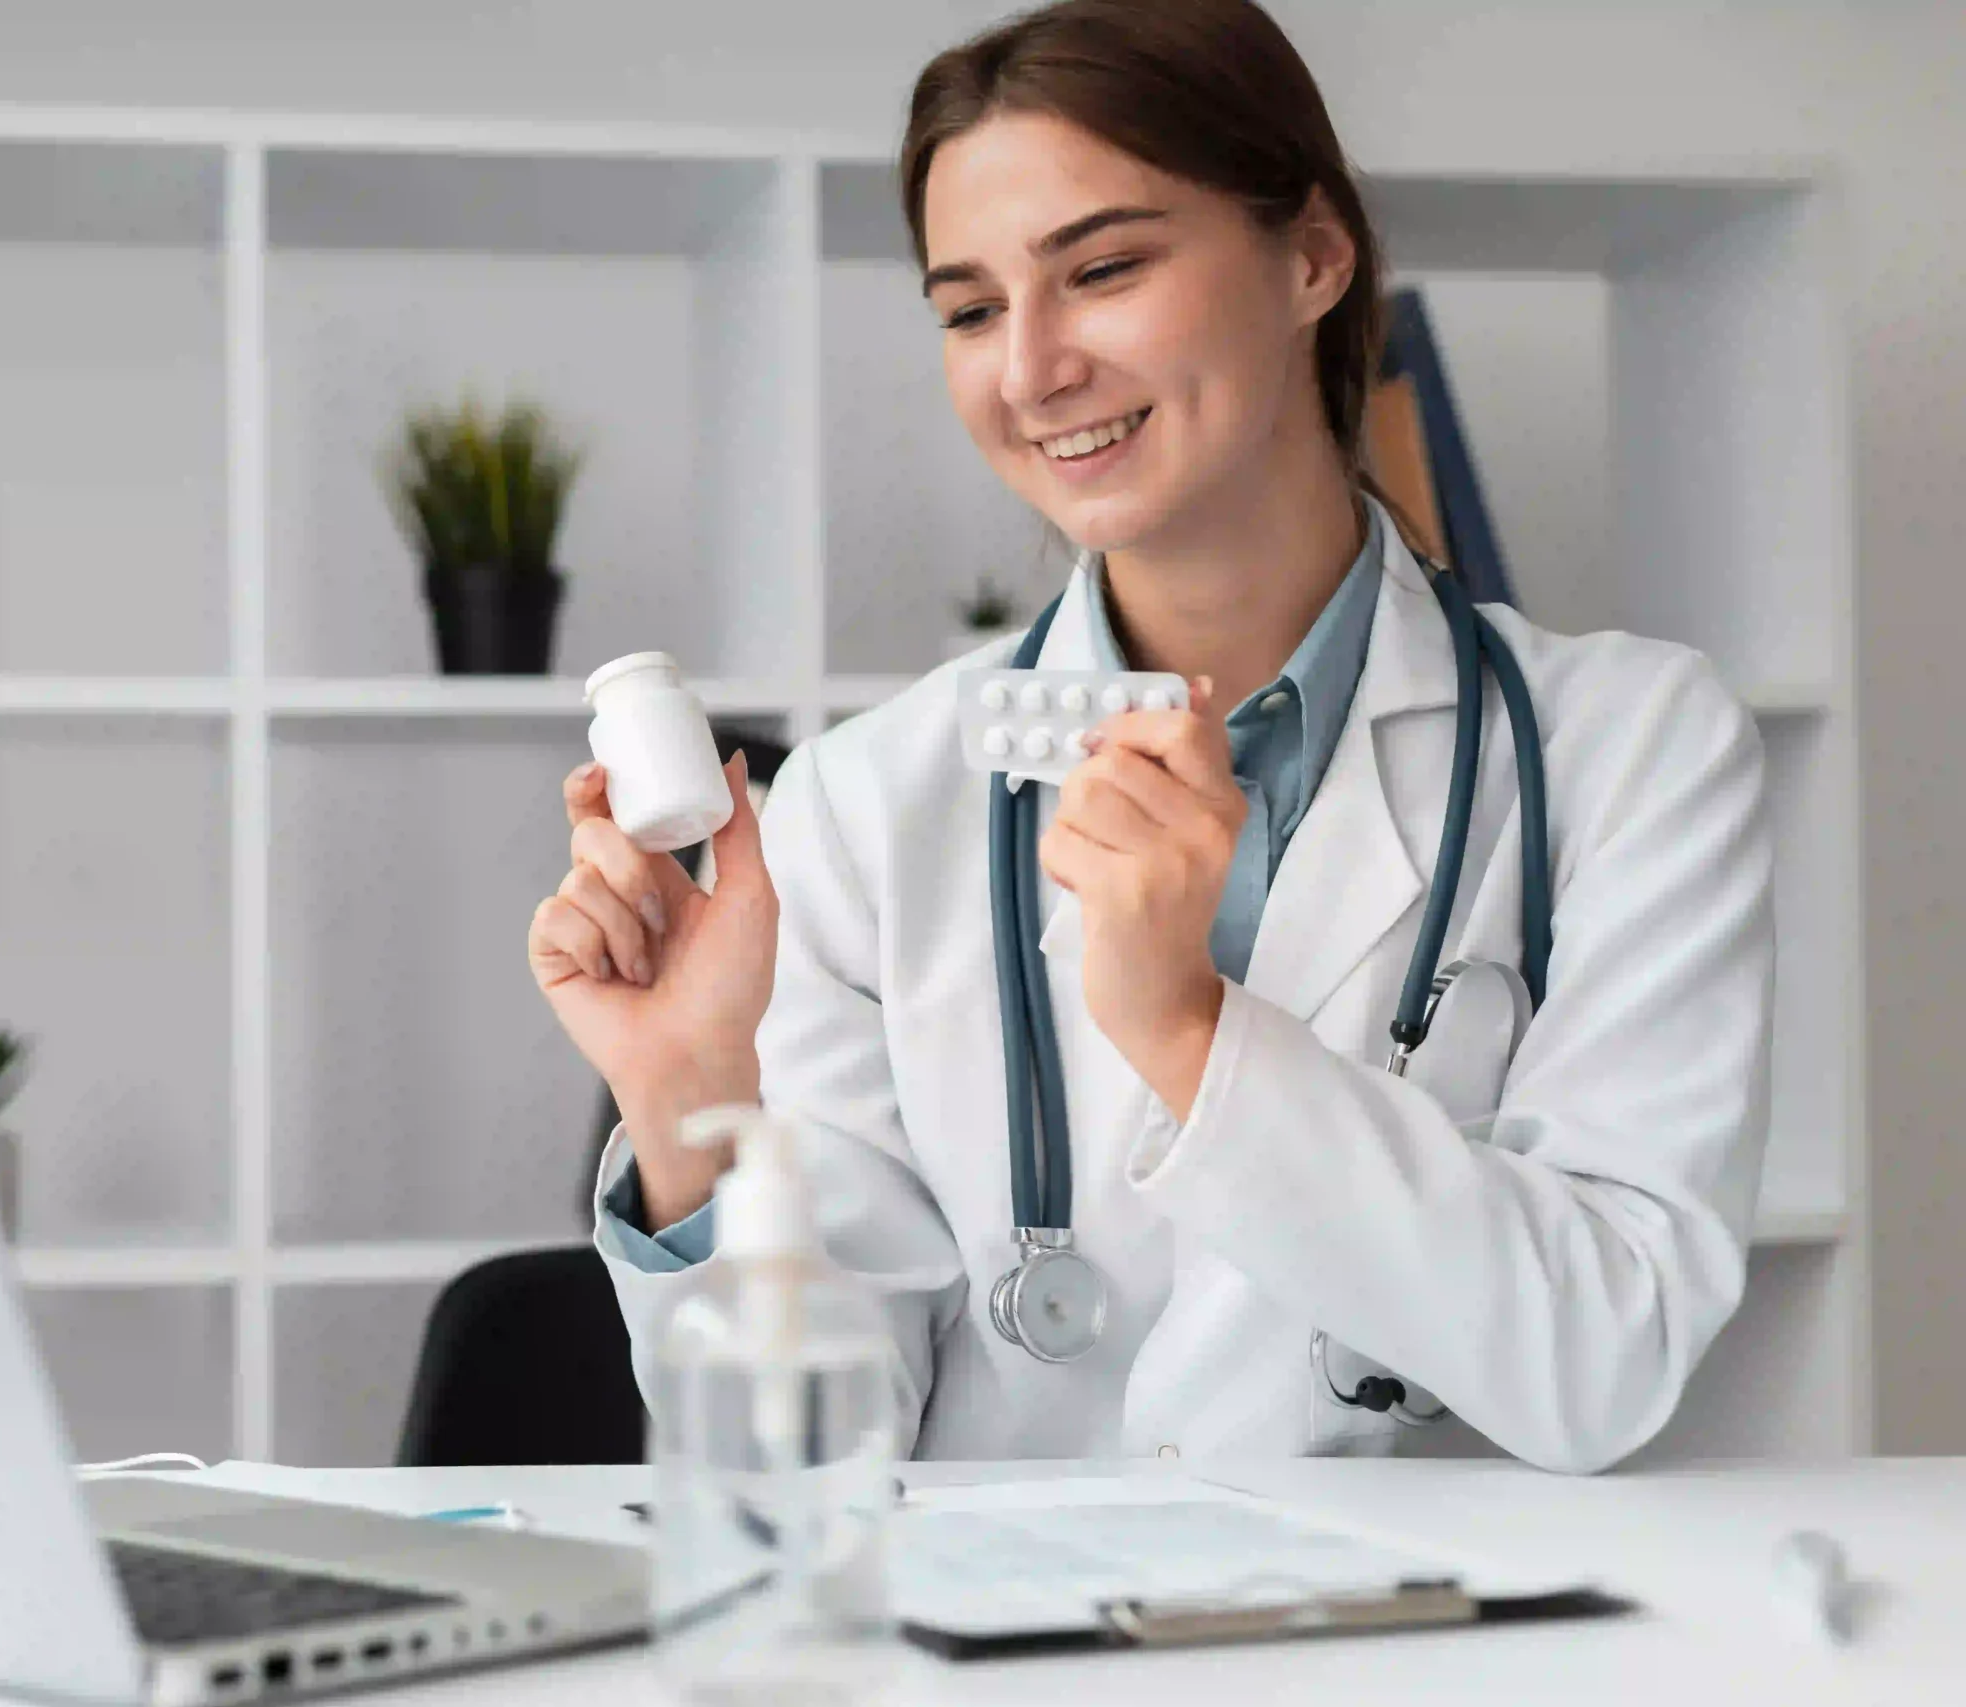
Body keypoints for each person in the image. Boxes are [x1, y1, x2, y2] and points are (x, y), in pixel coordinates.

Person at [525, 0, 1772, 1474]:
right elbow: (804, 1477)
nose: (1033, 368)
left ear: (1313, 255)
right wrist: (685, 1101)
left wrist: (1184, 1028)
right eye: (972, 309)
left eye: (1102, 269)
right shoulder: (864, 807)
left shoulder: (1630, 750)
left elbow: (1605, 1360)